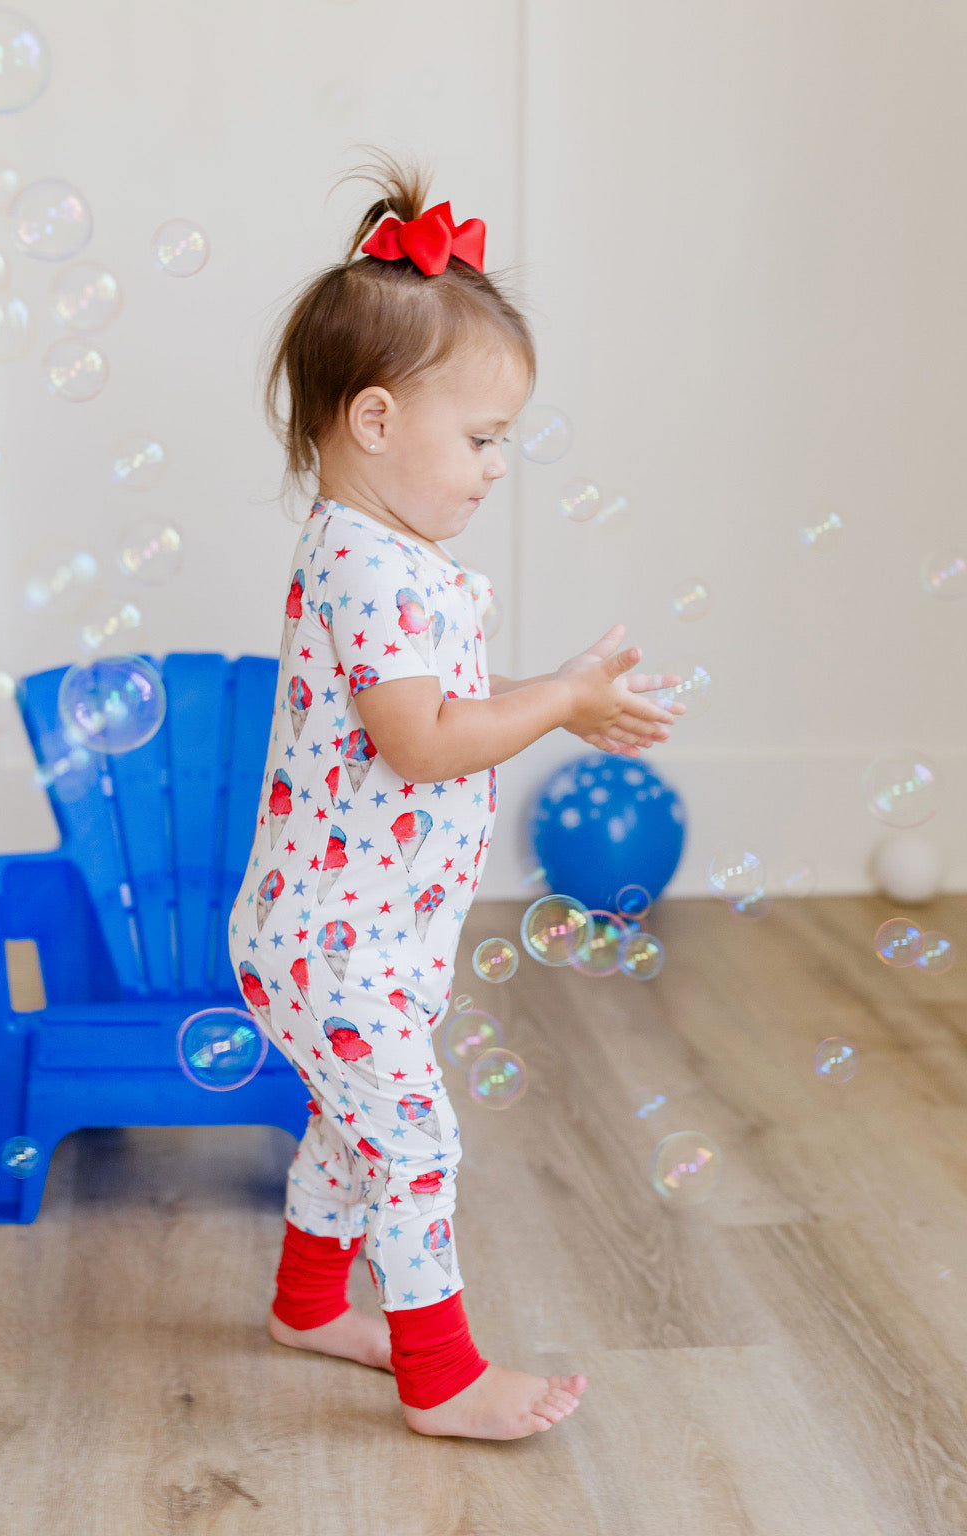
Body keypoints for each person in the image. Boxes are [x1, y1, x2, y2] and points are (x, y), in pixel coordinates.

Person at [228, 148, 684, 1442]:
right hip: (334, 945)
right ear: (376, 421)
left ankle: (310, 1306)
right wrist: (564, 700)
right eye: (481, 438)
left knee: (351, 1128)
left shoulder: (389, 551)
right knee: (414, 1145)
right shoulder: (370, 565)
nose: (495, 466)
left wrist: (559, 689)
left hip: (367, 934)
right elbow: (422, 741)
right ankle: (442, 1375)